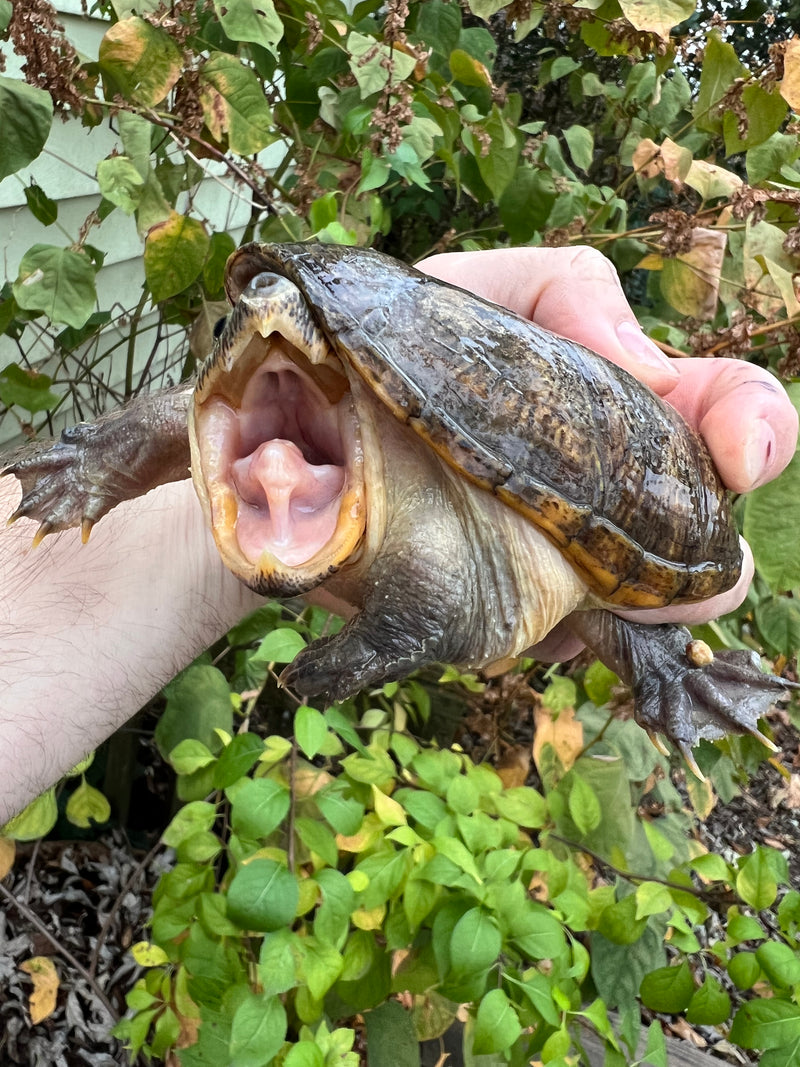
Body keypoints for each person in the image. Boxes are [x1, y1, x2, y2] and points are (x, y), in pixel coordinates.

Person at [0, 246, 796, 825]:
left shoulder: (373, 439)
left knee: (611, 609)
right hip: (428, 465)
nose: (263, 333)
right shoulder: (242, 409)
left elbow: (436, 592)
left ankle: (666, 671)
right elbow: (179, 420)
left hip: (590, 506)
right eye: (234, 330)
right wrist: (100, 461)